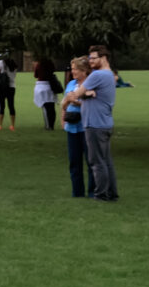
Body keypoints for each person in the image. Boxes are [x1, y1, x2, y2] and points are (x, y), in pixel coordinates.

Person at [65, 50, 118, 201]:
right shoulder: (109, 75)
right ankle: (112, 193)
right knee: (106, 161)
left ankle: (100, 194)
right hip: (106, 122)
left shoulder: (97, 75)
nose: (91, 61)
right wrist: (87, 93)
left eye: (93, 58)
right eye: (89, 58)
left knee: (97, 162)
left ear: (104, 58)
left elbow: (76, 94)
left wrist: (83, 93)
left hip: (95, 124)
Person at [62, 58, 90, 197]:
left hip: (86, 126)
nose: (72, 72)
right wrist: (64, 113)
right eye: (72, 69)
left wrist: (76, 102)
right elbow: (64, 104)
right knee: (74, 160)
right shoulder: (71, 84)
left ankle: (93, 191)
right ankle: (77, 192)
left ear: (84, 71)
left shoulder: (90, 84)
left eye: (75, 69)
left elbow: (92, 104)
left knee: (90, 160)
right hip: (71, 126)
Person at [32, 59, 62, 130]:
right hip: (50, 86)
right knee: (51, 107)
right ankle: (51, 125)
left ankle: (48, 125)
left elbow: (35, 75)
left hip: (42, 86)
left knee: (45, 107)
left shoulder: (39, 64)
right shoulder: (51, 63)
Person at [0, 59, 17, 130]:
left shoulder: (1, 62)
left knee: (2, 106)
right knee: (11, 106)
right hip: (12, 87)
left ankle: (0, 125)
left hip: (2, 87)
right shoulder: (14, 63)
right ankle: (12, 125)